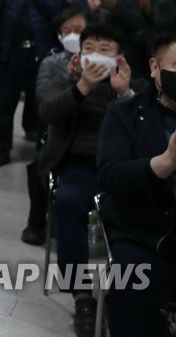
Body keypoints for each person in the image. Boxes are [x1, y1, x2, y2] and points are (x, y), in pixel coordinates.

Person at [38, 23, 139, 337]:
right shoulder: (66, 77)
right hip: (79, 168)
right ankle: (82, 295)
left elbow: (146, 129)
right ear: (80, 54)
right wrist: (79, 87)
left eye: (105, 50)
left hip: (122, 171)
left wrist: (125, 94)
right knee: (67, 201)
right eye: (90, 49)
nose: (96, 55)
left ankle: (124, 291)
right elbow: (47, 112)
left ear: (119, 57)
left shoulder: (135, 88)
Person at [97, 31, 176, 337]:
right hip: (141, 234)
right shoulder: (125, 113)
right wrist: (165, 162)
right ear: (155, 68)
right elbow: (111, 175)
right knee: (131, 288)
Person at [0, 0, 64, 166]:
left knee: (40, 103)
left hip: (41, 56)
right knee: (6, 104)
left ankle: (42, 149)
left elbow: (58, 16)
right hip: (12, 54)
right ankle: (2, 148)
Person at [21, 7, 88, 246]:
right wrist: (72, 79)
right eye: (66, 31)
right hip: (59, 133)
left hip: (96, 134)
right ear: (59, 36)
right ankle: (36, 222)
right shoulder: (51, 63)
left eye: (78, 30)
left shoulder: (105, 63)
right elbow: (44, 102)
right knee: (39, 165)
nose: (72, 35)